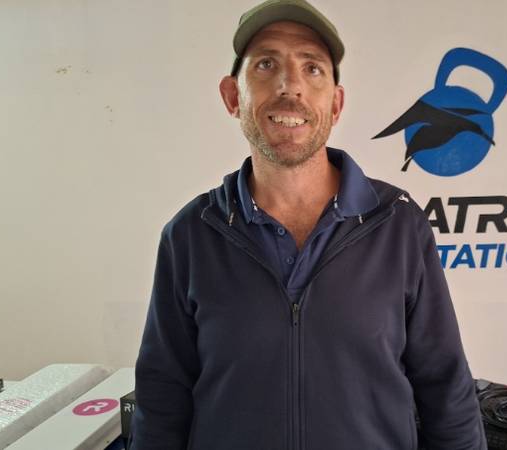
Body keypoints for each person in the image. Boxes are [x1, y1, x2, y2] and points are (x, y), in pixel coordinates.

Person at [131, 0, 486, 449]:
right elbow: (163, 396)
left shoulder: (398, 225)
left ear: (335, 104)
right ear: (232, 96)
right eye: (266, 64)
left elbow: (445, 386)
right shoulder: (191, 235)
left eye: (312, 68)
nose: (290, 86)